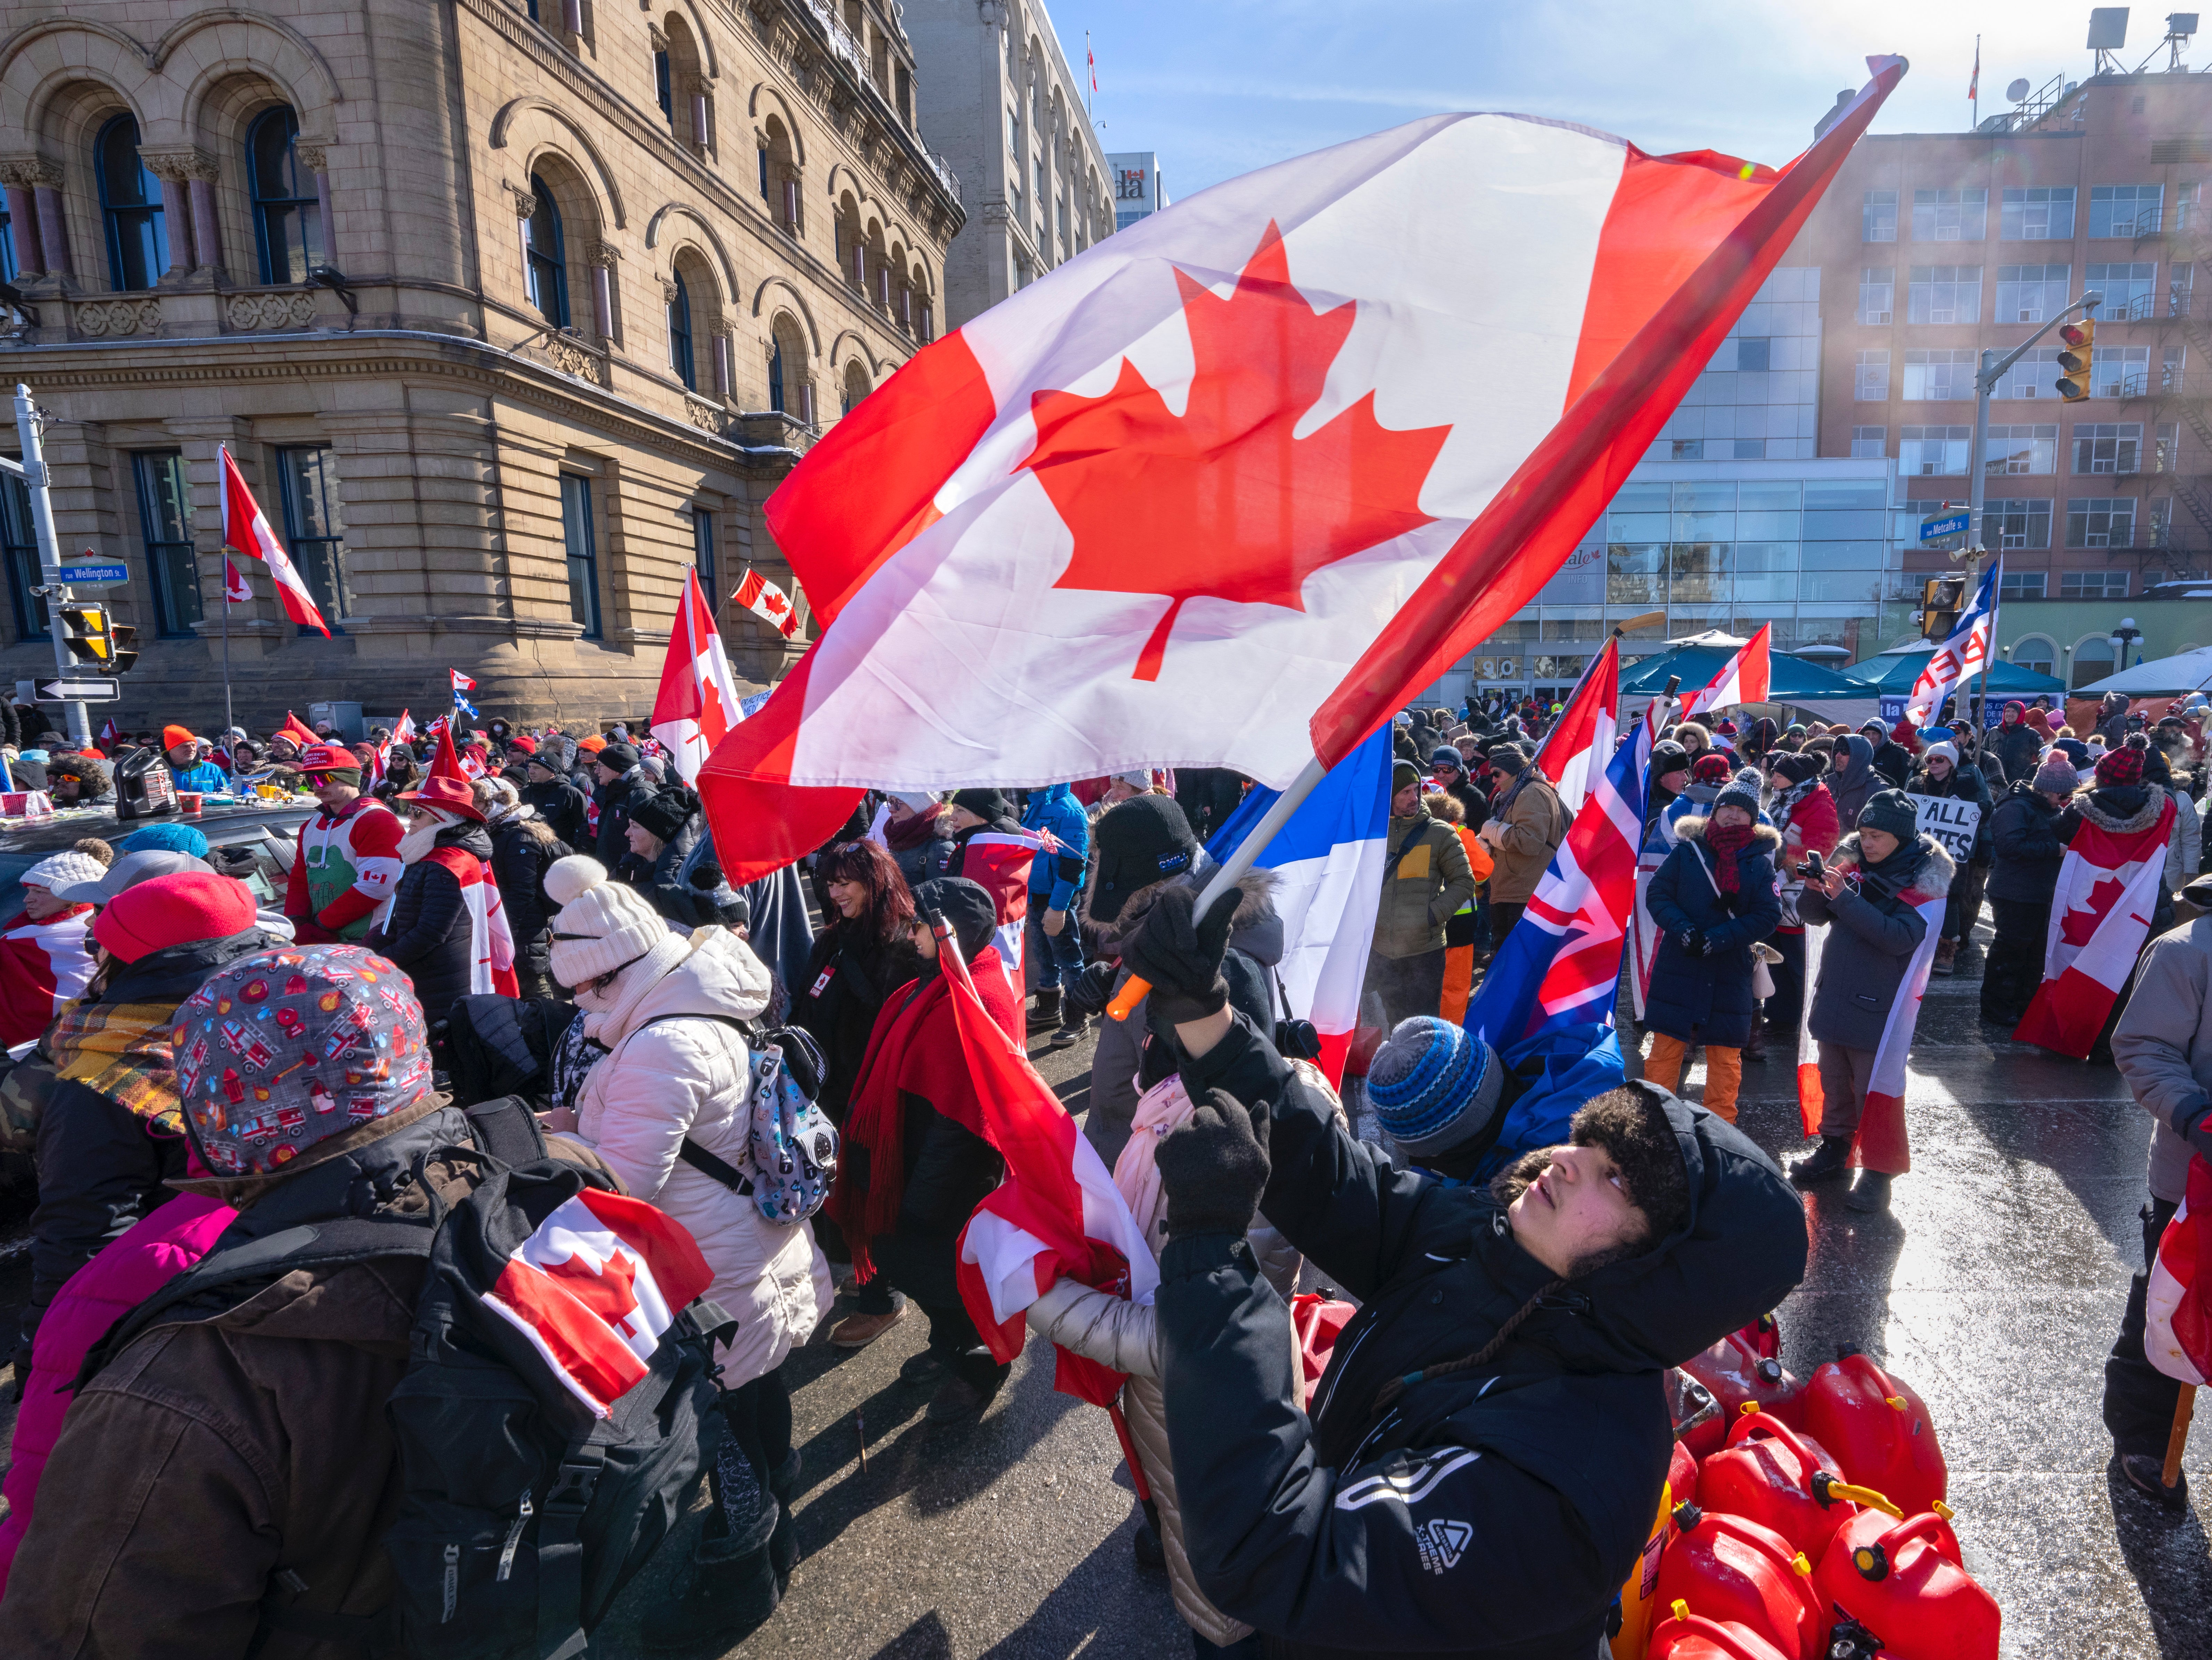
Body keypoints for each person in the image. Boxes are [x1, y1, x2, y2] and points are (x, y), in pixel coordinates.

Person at [1109, 881, 1805, 1659]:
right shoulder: (1498, 1243)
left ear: (1660, 1269)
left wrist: (1211, 1253)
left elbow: (1283, 1554)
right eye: (1591, 1143)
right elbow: (1342, 1184)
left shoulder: (1568, 1474)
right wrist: (1206, 1015)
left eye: (1616, 1179)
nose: (1569, 1161)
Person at [0, 941, 632, 1653]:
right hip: (554, 1598)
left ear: (212, 1100)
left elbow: (84, 1632)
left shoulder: (193, 1374)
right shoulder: (558, 1180)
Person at [537, 856, 831, 1642]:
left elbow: (622, 1185)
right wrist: (579, 1122)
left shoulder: (659, 1046)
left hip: (710, 1277)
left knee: (722, 1424)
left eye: (578, 989)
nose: (575, 1005)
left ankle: (744, 1574)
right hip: (755, 1246)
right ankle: (781, 1515)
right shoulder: (702, 1003)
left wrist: (555, 1144)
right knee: (760, 1397)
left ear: (608, 976)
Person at [8, 870, 274, 1387]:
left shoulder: (108, 1075)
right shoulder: (269, 1013)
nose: (90, 956)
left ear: (133, 960)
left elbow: (82, 1233)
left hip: (169, 1312)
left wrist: (43, 1355)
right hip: (271, 1276)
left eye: (97, 943)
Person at [829, 877, 1015, 1426]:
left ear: (948, 931)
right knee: (925, 1272)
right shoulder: (941, 977)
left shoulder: (978, 998)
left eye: (918, 926)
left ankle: (982, 1364)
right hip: (911, 1168)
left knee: (951, 1277)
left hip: (945, 1181)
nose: (909, 934)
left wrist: (920, 1199)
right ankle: (948, 1344)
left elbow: (963, 1123)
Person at [1075, 796, 1285, 1166]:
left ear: (1135, 886)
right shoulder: (1169, 929)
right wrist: (1114, 984)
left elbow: (1210, 1103)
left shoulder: (1211, 959)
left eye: (1099, 861)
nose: (1093, 869)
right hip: (1123, 1153)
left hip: (1150, 1179)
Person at [1789, 790, 1955, 1213]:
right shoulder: (1854, 867)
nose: (1866, 842)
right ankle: (1835, 1149)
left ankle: (1878, 1174)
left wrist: (1843, 898)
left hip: (1879, 1009)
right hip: (1836, 998)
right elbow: (1813, 915)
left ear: (1900, 837)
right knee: (1835, 1086)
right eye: (1863, 833)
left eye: (1876, 835)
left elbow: (1897, 938)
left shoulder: (1922, 882)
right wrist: (1815, 889)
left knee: (1873, 1094)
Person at [2107, 871, 2212, 1507]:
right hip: (2194, 1175)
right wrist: (2194, 1114)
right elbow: (2144, 1045)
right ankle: (2144, 1435)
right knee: (2171, 1307)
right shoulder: (2184, 950)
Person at [794, 840, 918, 1349]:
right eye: (830, 880)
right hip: (828, 1092)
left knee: (869, 1196)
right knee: (838, 1195)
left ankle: (881, 1299)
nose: (834, 890)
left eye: (846, 881)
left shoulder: (903, 945)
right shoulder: (834, 938)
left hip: (873, 1096)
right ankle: (870, 1276)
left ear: (877, 882)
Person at [1640, 778, 1781, 1124]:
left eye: (1740, 811)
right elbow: (1658, 894)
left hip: (1729, 967)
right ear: (1714, 812)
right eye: (1726, 809)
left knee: (1725, 1055)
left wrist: (1718, 938)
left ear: (1753, 818)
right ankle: (1654, 1124)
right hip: (1680, 962)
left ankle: (1720, 1130)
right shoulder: (1687, 852)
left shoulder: (1760, 863)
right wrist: (1683, 929)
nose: (1732, 816)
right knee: (1665, 1049)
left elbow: (1767, 916)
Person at [364, 775, 498, 1030]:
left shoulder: (446, 863)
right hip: (429, 971)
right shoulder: (429, 852)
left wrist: (385, 958)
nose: (410, 819)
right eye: (410, 812)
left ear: (443, 820)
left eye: (417, 813)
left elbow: (431, 932)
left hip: (438, 979)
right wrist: (383, 935)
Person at [1365, 760, 1478, 1028]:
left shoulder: (1439, 833)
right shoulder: (1372, 834)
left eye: (1416, 790)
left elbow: (1464, 881)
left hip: (1424, 952)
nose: (1414, 798)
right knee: (1389, 1023)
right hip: (1379, 950)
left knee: (1423, 1025)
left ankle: (1424, 1069)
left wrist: (1430, 916)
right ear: (1388, 794)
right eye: (1405, 792)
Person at [1983, 756, 2074, 1027]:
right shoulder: (2015, 806)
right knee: (2010, 951)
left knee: (2034, 954)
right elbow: (2009, 846)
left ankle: (2024, 1006)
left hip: (2036, 891)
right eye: (2064, 794)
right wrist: (2054, 849)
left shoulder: (2043, 807)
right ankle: (1995, 1008)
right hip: (2014, 892)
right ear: (2050, 789)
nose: (2065, 800)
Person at [284, 743, 406, 944]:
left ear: (349, 777)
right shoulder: (311, 825)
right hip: (324, 936)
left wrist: (322, 924)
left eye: (325, 778)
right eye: (310, 779)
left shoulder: (377, 819)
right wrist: (296, 922)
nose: (316, 786)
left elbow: (378, 886)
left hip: (366, 939)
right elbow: (300, 879)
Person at [1765, 751, 1839, 1043]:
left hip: (1800, 896)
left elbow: (1821, 850)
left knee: (1799, 964)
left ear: (1794, 780)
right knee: (1776, 960)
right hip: (1778, 889)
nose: (1772, 779)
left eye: (1778, 775)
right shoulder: (1786, 798)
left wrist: (1781, 857)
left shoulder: (1819, 805)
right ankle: (1781, 1017)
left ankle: (1805, 1019)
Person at [479, 775, 570, 999]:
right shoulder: (501, 829)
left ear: (495, 803)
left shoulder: (520, 836)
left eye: (479, 803)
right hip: (519, 922)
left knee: (533, 984)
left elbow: (523, 891)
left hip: (526, 925)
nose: (474, 808)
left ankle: (550, 1028)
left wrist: (505, 929)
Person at [0, 851, 101, 1048]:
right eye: (29, 891)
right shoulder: (21, 939)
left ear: (72, 898)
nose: (27, 900)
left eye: (39, 893)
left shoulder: (103, 934)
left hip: (72, 1045)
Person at [1909, 739, 1992, 975]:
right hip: (1921, 852)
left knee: (1951, 898)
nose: (1934, 763)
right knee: (1916, 893)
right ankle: (1916, 943)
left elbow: (1986, 809)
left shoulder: (1967, 785)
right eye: (1930, 759)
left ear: (1951, 763)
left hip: (1953, 854)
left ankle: (1947, 950)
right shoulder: (1916, 784)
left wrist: (1978, 808)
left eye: (1940, 759)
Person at [1021, 781, 1092, 1044]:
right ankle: (1049, 1009)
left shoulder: (1071, 810)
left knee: (1068, 957)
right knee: (1043, 954)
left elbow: (1074, 862)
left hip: (1057, 898)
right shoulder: (1037, 804)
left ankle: (1078, 1017)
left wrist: (1058, 906)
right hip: (1038, 895)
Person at [1476, 742, 1562, 944]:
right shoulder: (1514, 792)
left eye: (1497, 774)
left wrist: (1493, 831)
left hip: (1523, 892)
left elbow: (1530, 841)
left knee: (1515, 956)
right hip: (1513, 887)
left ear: (1514, 771)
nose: (1494, 780)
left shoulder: (1530, 793)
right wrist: (1490, 841)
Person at [590, 741, 657, 867]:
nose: (596, 771)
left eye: (601, 766)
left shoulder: (641, 795)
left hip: (628, 875)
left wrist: (624, 869)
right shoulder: (616, 792)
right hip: (614, 872)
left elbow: (647, 844)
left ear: (617, 770)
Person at [882, 790, 956, 890]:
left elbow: (939, 898)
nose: (891, 809)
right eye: (891, 802)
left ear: (919, 807)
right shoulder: (899, 837)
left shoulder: (940, 847)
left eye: (898, 803)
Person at [519, 745, 589, 846]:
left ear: (552, 772)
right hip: (532, 850)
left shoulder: (569, 793)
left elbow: (583, 827)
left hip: (563, 852)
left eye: (536, 768)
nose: (531, 772)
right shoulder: (526, 793)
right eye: (530, 767)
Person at [159, 725, 227, 794]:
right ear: (171, 749)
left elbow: (227, 794)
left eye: (194, 745)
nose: (191, 749)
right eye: (185, 746)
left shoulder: (212, 770)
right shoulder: (157, 771)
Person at [43, 752, 111, 805]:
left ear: (87, 784)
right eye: (60, 777)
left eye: (69, 778)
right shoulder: (52, 809)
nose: (60, 781)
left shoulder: (102, 812)